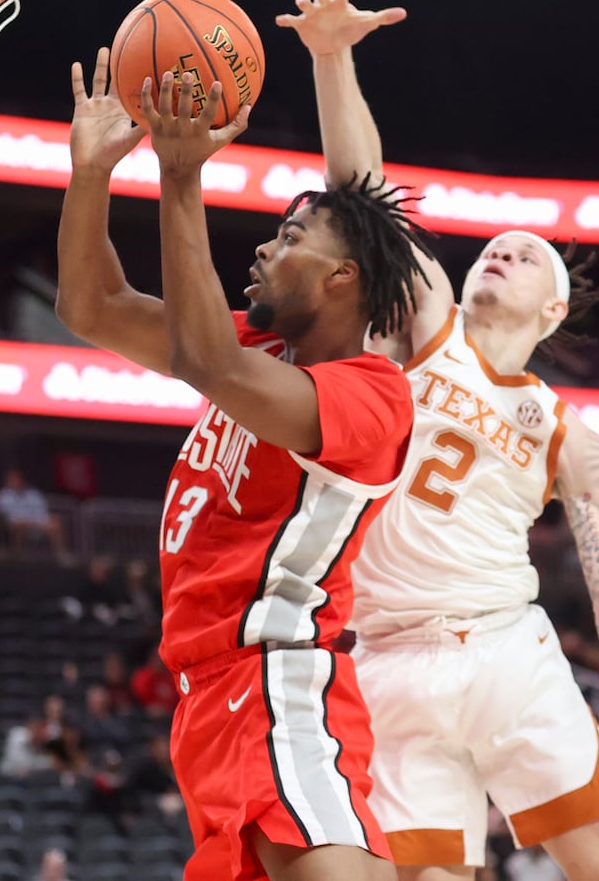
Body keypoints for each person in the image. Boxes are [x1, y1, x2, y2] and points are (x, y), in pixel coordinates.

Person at [279, 0, 599, 879]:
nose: (504, 251)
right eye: (495, 247)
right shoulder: (424, 322)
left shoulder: (570, 434)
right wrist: (333, 60)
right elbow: (364, 192)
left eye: (528, 256)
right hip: (387, 657)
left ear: (553, 312)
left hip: (505, 644)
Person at [56, 46, 433, 881]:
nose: (264, 248)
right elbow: (93, 306)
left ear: (343, 277)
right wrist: (90, 176)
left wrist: (181, 178)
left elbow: (208, 362)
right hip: (208, 695)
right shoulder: (260, 344)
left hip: (278, 676)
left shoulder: (374, 396)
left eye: (290, 236)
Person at [0, 468, 71, 561]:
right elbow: (7, 518)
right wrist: (26, 522)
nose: (16, 482)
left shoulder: (33, 494)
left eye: (18, 479)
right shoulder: (3, 496)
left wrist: (35, 523)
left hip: (36, 525)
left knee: (55, 521)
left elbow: (42, 513)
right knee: (20, 525)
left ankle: (62, 555)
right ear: (7, 481)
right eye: (12, 480)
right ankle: (18, 556)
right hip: (14, 527)